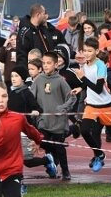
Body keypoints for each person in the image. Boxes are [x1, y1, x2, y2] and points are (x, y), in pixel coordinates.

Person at [75, 38, 111, 180]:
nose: (87, 54)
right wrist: (80, 87)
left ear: (96, 51)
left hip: (105, 106)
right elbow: (90, 82)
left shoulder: (101, 66)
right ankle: (99, 154)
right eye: (85, 51)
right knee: (84, 130)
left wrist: (82, 79)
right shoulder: (86, 65)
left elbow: (98, 88)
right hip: (91, 106)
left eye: (90, 51)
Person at [29, 51, 76, 180]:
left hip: (58, 122)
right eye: (43, 63)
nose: (45, 66)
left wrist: (62, 108)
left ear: (56, 64)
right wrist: (33, 110)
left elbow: (72, 98)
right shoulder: (38, 80)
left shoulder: (61, 81)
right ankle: (52, 164)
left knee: (60, 148)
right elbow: (31, 98)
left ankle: (65, 171)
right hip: (43, 121)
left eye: (48, 63)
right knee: (43, 142)